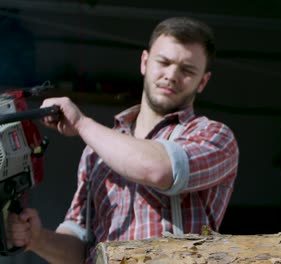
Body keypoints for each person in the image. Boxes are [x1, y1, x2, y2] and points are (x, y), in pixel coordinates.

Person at [7, 16, 239, 264]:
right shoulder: (96, 151)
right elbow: (81, 249)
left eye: (187, 70)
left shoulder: (214, 136)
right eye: (164, 62)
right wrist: (36, 238)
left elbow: (158, 170)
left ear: (202, 81)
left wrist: (82, 124)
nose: (172, 75)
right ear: (145, 62)